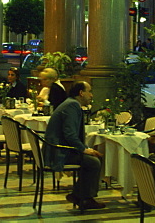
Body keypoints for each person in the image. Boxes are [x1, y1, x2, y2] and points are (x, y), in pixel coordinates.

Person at [44, 81, 104, 211]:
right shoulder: (72, 105)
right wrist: (84, 149)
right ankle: (85, 198)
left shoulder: (71, 103)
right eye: (89, 91)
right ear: (81, 93)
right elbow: (70, 134)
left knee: (94, 159)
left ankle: (80, 196)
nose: (91, 95)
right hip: (59, 152)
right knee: (94, 162)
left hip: (60, 148)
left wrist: (85, 149)